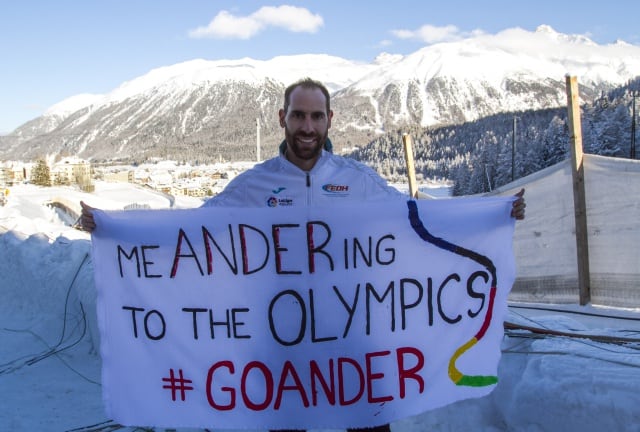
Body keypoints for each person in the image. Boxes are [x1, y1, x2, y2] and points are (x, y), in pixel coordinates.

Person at [80, 78, 526, 432]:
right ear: (283, 118)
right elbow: (195, 232)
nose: (307, 127)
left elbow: (416, 223)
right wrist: (115, 229)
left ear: (330, 120)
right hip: (282, 339)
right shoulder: (254, 185)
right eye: (298, 116)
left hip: (354, 334)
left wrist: (493, 216)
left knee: (369, 423)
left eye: (316, 117)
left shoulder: (357, 180)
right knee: (288, 424)